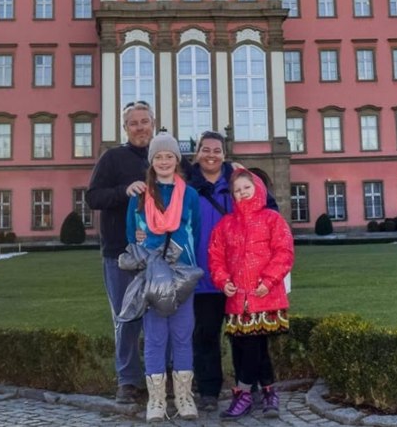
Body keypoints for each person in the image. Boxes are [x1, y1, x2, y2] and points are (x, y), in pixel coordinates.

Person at [185, 131, 279, 411]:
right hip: (203, 275)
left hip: (242, 278)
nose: (211, 155)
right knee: (205, 335)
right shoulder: (186, 185)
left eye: (217, 150)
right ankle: (209, 392)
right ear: (197, 153)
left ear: (225, 154)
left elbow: (269, 210)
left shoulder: (238, 180)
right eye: (205, 149)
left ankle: (251, 388)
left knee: (247, 336)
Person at [126, 132, 201, 422]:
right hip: (153, 275)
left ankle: (183, 397)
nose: (164, 161)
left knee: (182, 335)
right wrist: (139, 236)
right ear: (152, 161)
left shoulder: (190, 195)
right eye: (159, 156)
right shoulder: (141, 194)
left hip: (182, 275)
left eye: (169, 156)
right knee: (156, 337)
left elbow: (196, 231)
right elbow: (130, 234)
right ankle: (156, 400)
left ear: (177, 160)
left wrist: (191, 263)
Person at [209, 169, 294, 419]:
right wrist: (223, 280)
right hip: (238, 299)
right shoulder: (226, 224)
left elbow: (284, 252)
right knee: (252, 347)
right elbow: (216, 256)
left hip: (264, 295)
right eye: (237, 190)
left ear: (258, 188)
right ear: (232, 195)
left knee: (253, 346)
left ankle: (245, 393)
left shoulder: (272, 219)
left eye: (246, 187)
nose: (242, 192)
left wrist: (269, 280)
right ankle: (268, 392)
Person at [85, 100, 155, 404]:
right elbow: (93, 198)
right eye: (133, 123)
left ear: (153, 123)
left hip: (159, 254)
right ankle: (128, 381)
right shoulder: (112, 158)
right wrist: (122, 192)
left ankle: (159, 376)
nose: (140, 127)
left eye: (144, 121)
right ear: (125, 128)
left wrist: (231, 170)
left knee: (160, 317)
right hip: (120, 253)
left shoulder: (163, 156)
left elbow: (193, 184)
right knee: (126, 318)